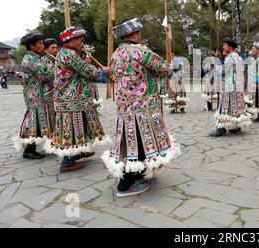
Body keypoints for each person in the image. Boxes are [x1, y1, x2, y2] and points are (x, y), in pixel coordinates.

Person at [101, 18, 181, 197]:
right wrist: (172, 68)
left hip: (125, 105)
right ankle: (126, 184)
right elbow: (163, 69)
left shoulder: (116, 53)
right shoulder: (139, 51)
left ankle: (141, 172)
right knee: (139, 140)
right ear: (135, 34)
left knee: (130, 140)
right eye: (139, 32)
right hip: (143, 105)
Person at [44, 27, 111, 172]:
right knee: (72, 129)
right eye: (80, 40)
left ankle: (79, 151)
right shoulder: (69, 55)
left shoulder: (66, 53)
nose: (82, 43)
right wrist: (103, 72)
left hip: (71, 97)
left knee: (80, 126)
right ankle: (67, 162)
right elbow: (87, 71)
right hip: (70, 98)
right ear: (72, 40)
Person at [13, 33, 53, 159]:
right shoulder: (29, 59)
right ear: (32, 46)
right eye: (40, 44)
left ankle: (33, 147)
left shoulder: (36, 57)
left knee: (39, 120)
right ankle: (29, 149)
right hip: (34, 94)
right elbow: (44, 74)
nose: (43, 45)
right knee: (34, 120)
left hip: (38, 93)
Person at [209, 38, 252, 137]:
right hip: (238, 86)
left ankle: (221, 128)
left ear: (230, 47)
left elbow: (222, 70)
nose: (223, 47)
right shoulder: (238, 57)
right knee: (235, 107)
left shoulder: (230, 57)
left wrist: (214, 66)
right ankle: (236, 126)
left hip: (230, 86)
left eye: (224, 45)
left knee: (224, 107)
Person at [41, 38, 59, 128]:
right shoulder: (41, 61)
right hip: (46, 92)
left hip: (57, 92)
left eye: (56, 48)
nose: (55, 50)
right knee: (50, 114)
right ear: (46, 49)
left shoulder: (57, 60)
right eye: (53, 48)